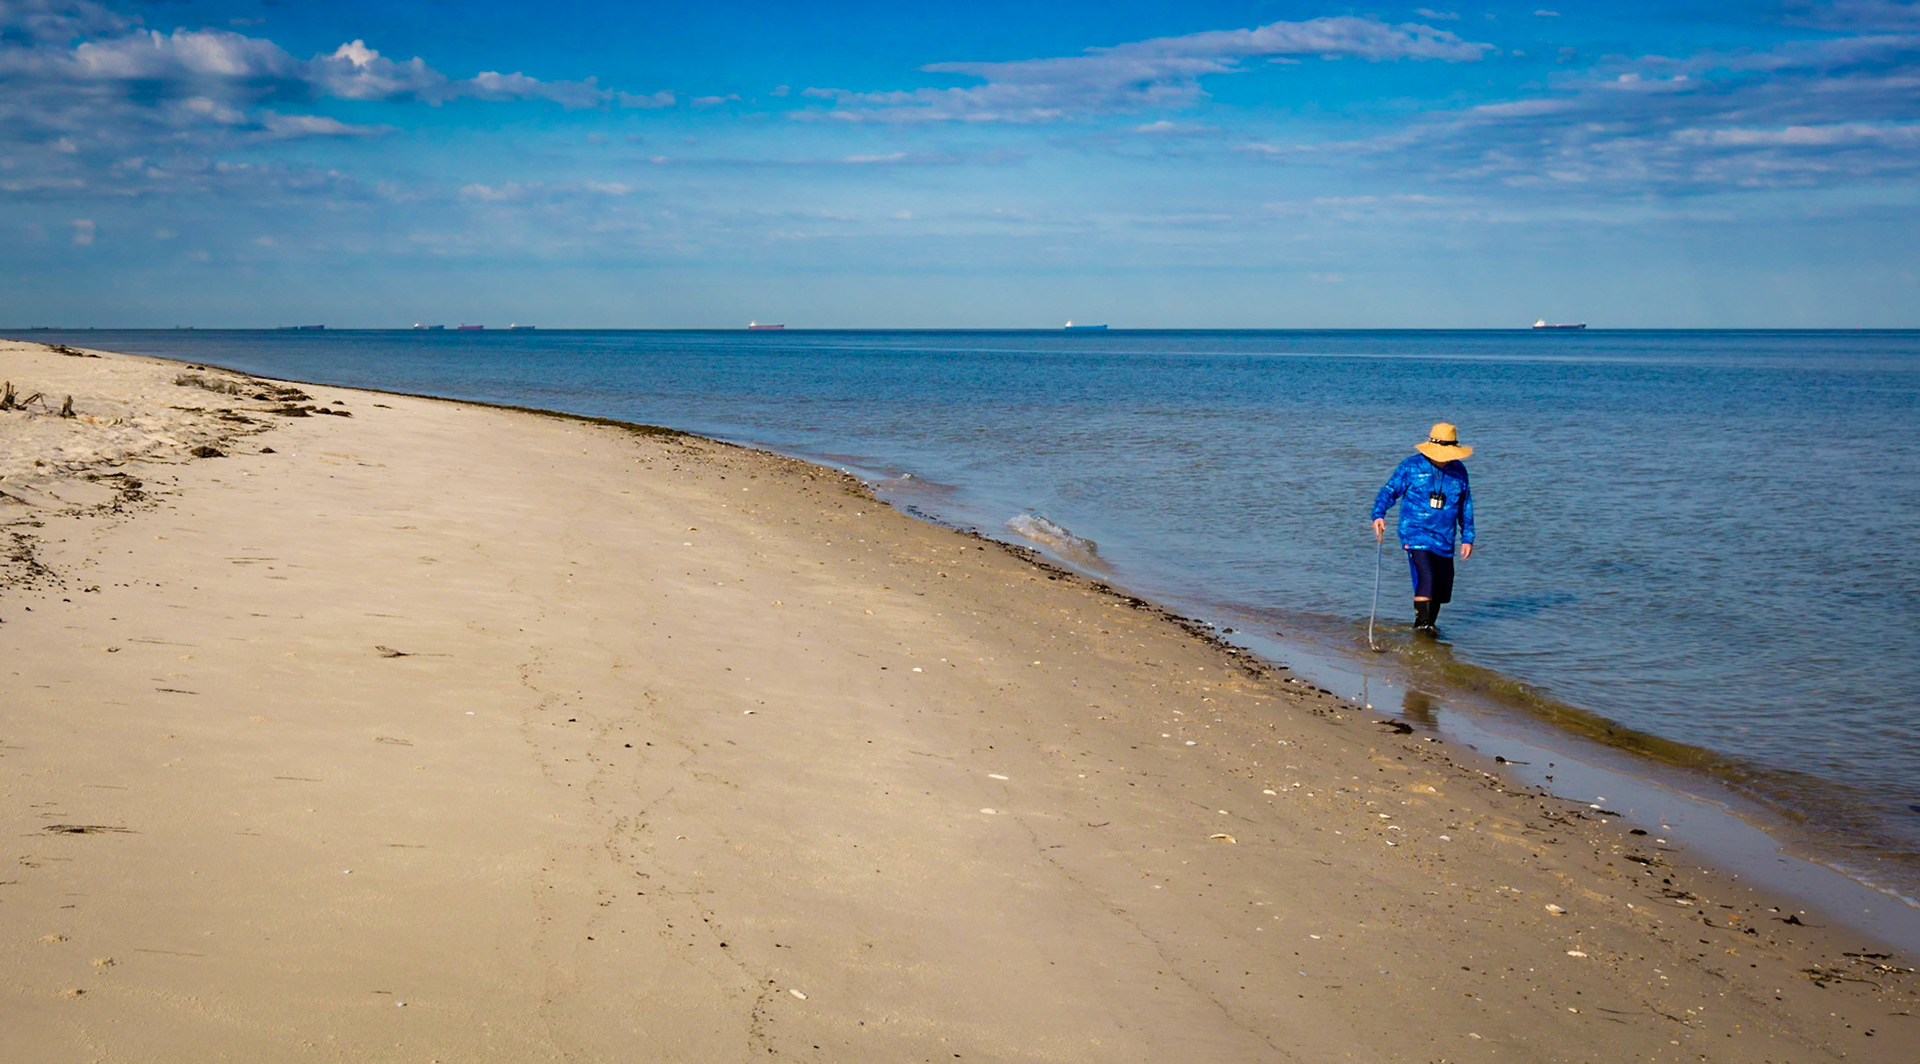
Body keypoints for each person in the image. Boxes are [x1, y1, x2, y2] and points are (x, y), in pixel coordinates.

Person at [1371, 422, 1475, 632]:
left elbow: (1466, 505)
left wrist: (1468, 537)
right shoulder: (1411, 467)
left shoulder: (1459, 471)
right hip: (1415, 533)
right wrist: (1379, 514)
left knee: (1440, 588)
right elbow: (1389, 490)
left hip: (1445, 538)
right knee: (1427, 576)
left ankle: (1428, 627)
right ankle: (1422, 628)